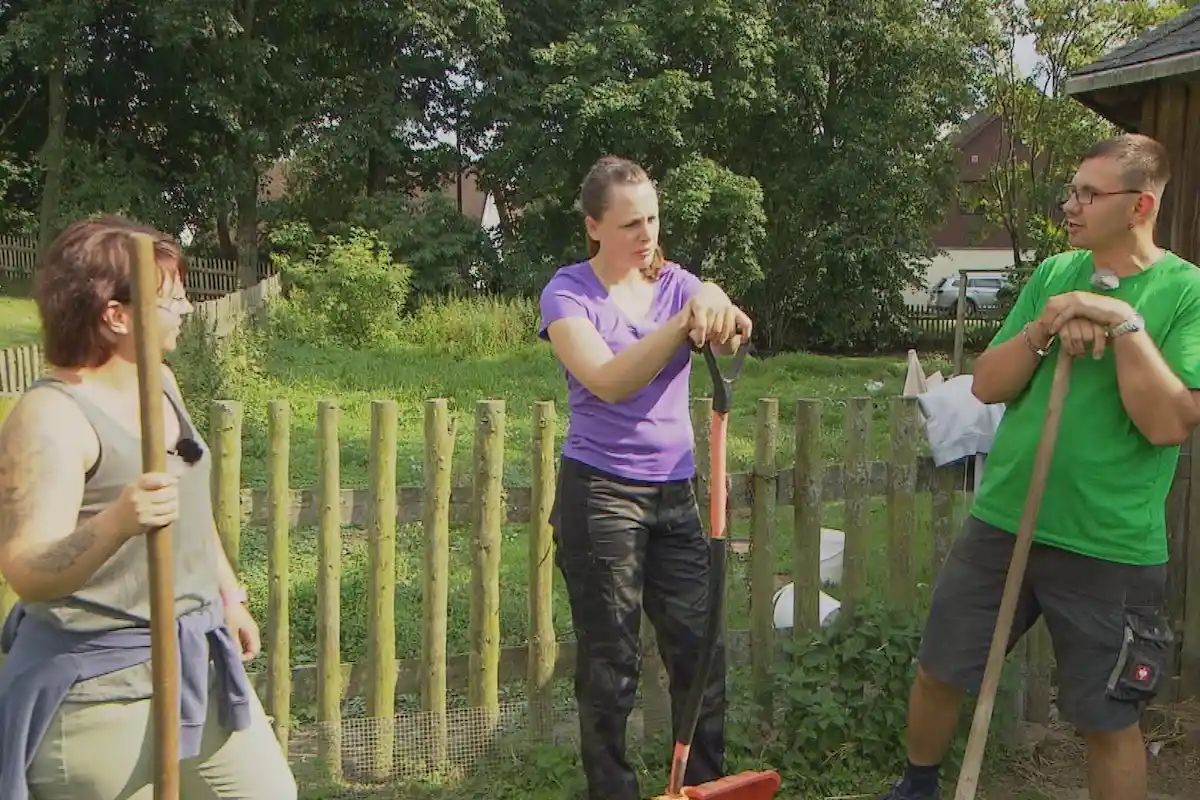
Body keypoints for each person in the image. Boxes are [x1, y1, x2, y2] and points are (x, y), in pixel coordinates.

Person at [879, 133, 1200, 800]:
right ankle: (917, 787)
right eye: (1071, 191)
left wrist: (1122, 322)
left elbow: (1168, 423)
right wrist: (1044, 327)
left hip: (1107, 544)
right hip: (1005, 518)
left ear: (1140, 205)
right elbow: (988, 384)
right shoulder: (1055, 275)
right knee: (940, 669)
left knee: (1107, 718)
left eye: (1089, 194)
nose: (1070, 206)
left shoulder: (1186, 293)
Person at [0, 216, 298, 800]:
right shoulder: (52, 418)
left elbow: (188, 505)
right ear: (116, 316)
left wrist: (227, 596)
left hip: (195, 666)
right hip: (98, 693)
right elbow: (27, 569)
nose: (187, 309)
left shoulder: (158, 381)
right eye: (172, 298)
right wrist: (117, 521)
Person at [538, 155, 752, 800]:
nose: (647, 234)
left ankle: (705, 788)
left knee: (701, 652)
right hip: (602, 495)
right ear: (593, 227)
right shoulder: (567, 295)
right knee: (613, 664)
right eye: (631, 223)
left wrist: (717, 306)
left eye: (653, 219)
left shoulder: (675, 283)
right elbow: (608, 381)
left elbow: (728, 331)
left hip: (674, 493)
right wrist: (683, 323)